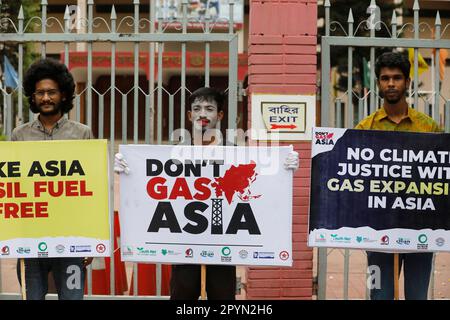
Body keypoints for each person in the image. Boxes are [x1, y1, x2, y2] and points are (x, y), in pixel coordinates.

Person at [115, 86, 299, 299]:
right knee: (183, 293)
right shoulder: (172, 154)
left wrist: (284, 168)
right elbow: (152, 185)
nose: (203, 113)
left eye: (209, 108)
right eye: (197, 108)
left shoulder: (236, 153)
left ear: (219, 115)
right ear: (189, 114)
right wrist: (128, 168)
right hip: (184, 237)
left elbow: (259, 182)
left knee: (222, 295)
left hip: (223, 239)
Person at [355, 52, 440, 300]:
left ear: (407, 82)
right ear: (378, 83)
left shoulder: (429, 128)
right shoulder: (364, 128)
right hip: (376, 236)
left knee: (417, 296)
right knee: (379, 295)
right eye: (385, 78)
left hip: (420, 234)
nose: (391, 83)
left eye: (397, 78)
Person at [11, 58, 93, 300]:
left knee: (72, 297)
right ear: (33, 97)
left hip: (72, 239)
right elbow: (13, 185)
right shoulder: (19, 135)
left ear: (64, 95)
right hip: (30, 239)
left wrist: (89, 241)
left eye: (52, 92)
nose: (46, 98)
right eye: (40, 93)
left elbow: (92, 188)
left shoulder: (82, 133)